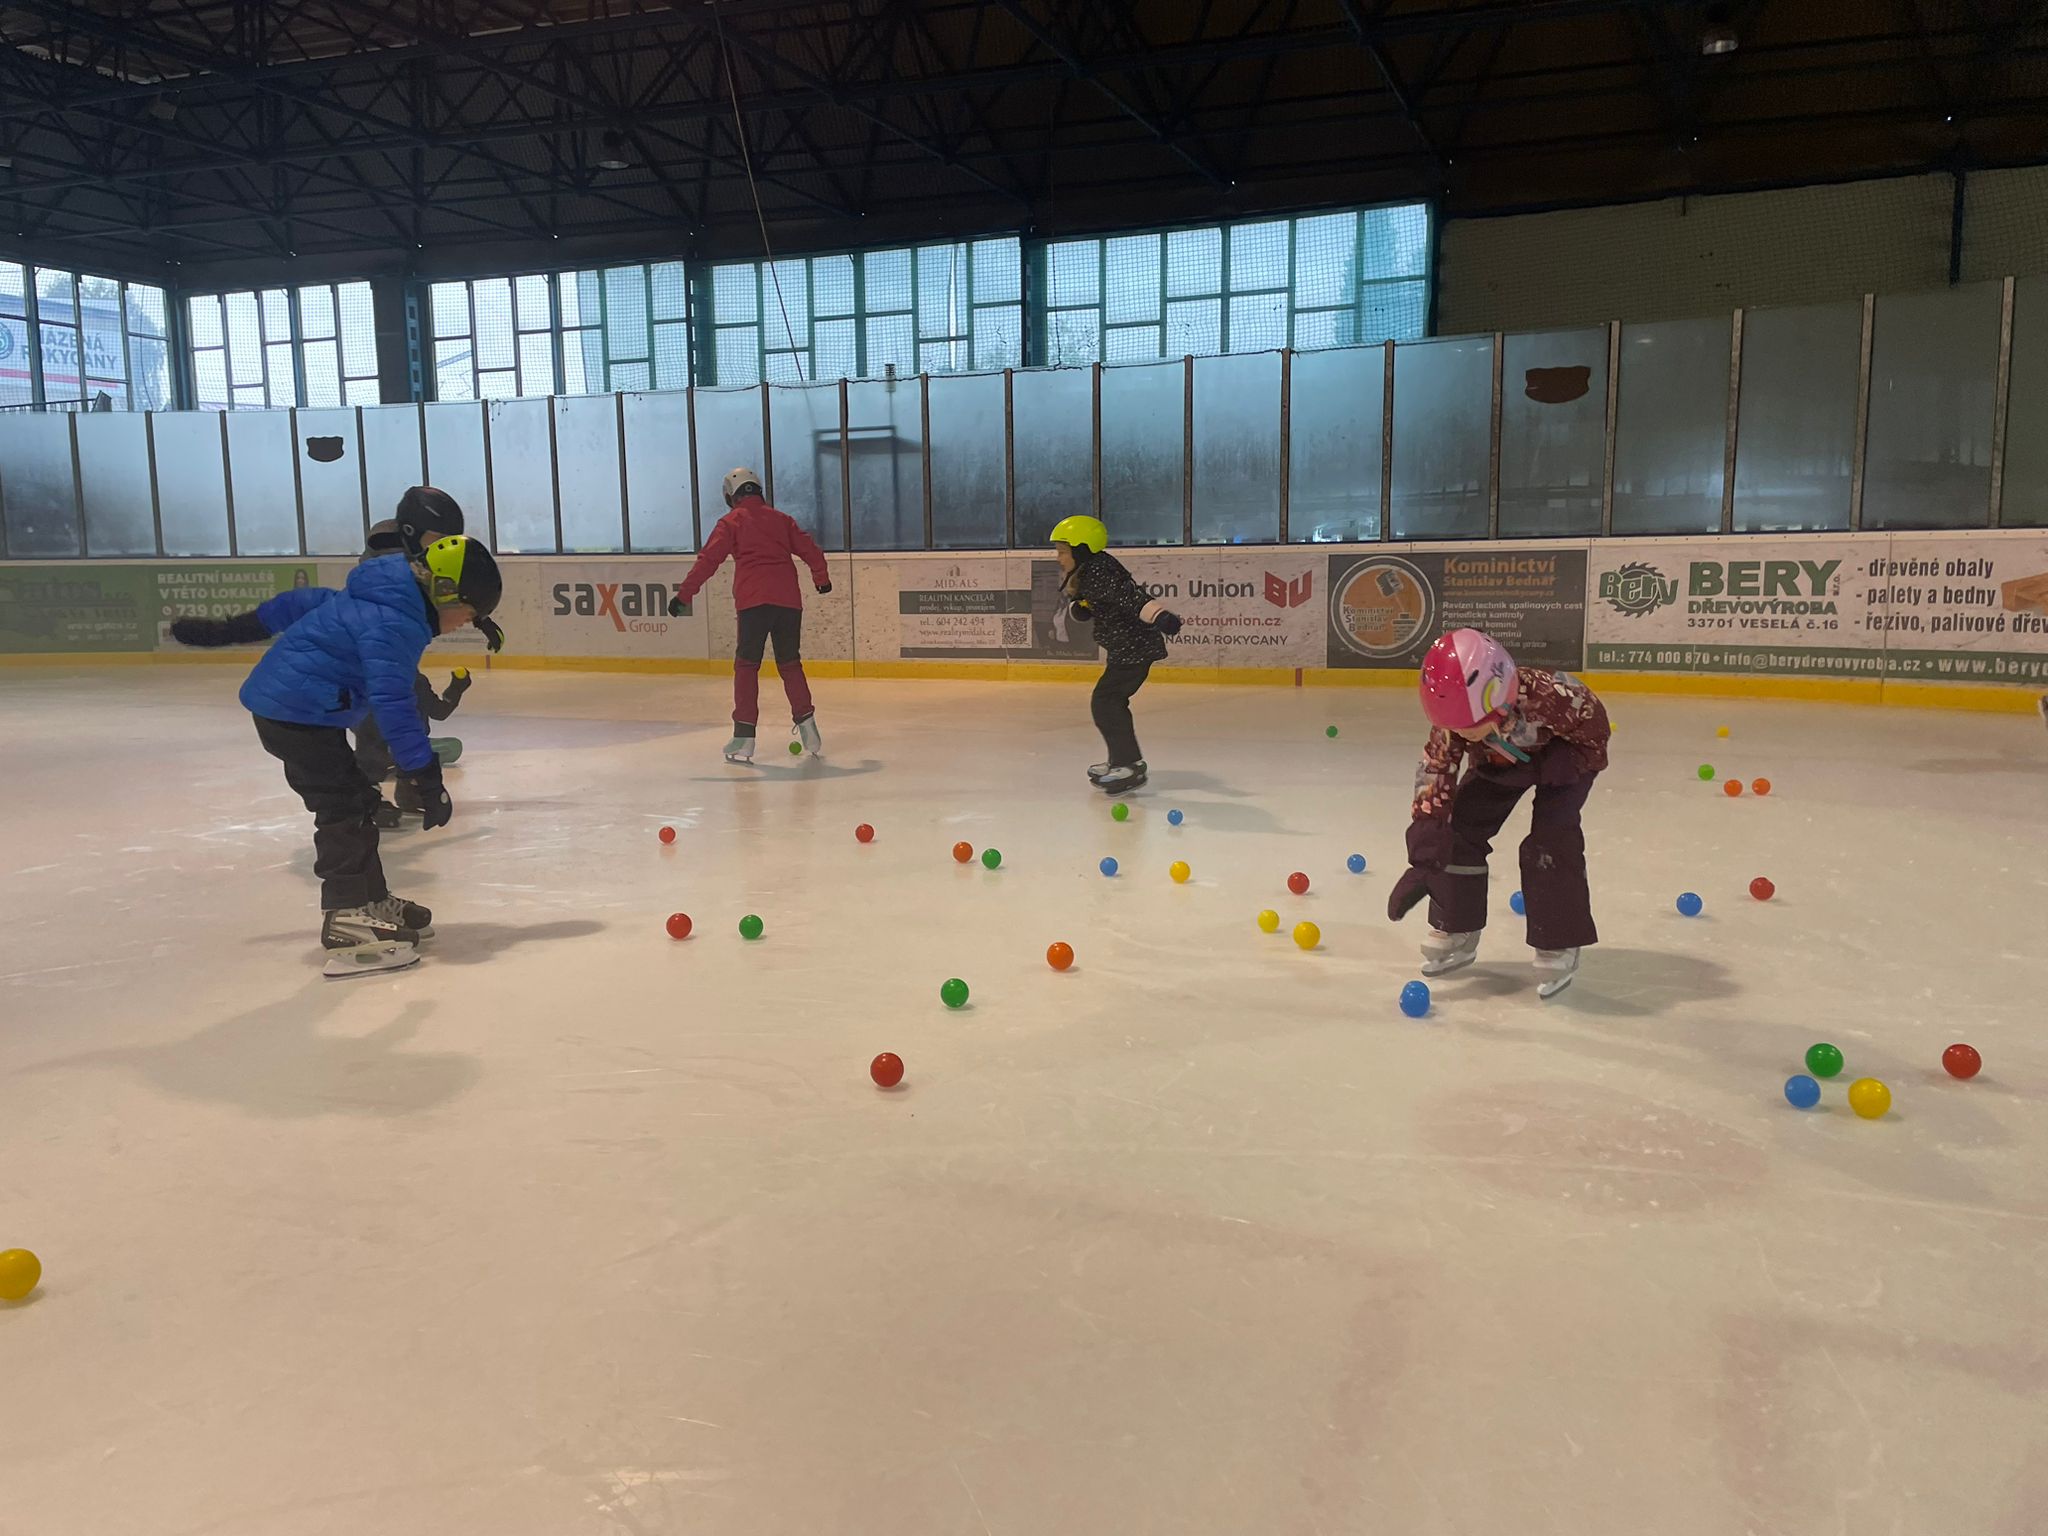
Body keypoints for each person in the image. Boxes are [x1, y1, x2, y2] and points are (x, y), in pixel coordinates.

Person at [169, 536, 503, 977]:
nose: (465, 624)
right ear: (443, 592)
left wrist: (226, 630)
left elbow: (299, 604)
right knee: (341, 808)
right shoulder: (394, 622)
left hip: (299, 710)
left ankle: (369, 900)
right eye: (469, 613)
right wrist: (424, 774)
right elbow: (393, 702)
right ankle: (346, 918)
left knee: (359, 801)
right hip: (296, 713)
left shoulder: (379, 596)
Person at [1387, 628, 1610, 998]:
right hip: (1500, 762)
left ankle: (1559, 939)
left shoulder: (1554, 696)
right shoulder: (1455, 723)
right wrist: (1425, 854)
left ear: (1500, 698)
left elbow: (1596, 729)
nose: (1464, 736)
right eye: (1457, 729)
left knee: (1551, 841)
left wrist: (1569, 761)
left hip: (1563, 762)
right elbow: (1436, 769)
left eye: (1471, 727)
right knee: (1458, 829)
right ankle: (1457, 923)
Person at [667, 467, 831, 763]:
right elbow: (811, 550)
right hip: (788, 603)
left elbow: (708, 561)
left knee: (746, 666)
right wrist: (821, 579)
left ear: (731, 496)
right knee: (790, 664)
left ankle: (744, 737)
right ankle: (809, 728)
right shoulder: (782, 520)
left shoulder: (731, 522)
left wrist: (684, 596)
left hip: (753, 603)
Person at [1050, 514, 1181, 795]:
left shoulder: (1099, 572)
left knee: (1106, 702)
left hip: (1135, 648)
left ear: (1081, 549)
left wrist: (1160, 615)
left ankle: (1127, 764)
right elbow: (1090, 602)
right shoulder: (1088, 571)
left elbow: (1132, 597)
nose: (1059, 558)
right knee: (1108, 702)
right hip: (1125, 649)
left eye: (1062, 552)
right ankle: (1123, 760)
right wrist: (1081, 609)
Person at [365, 485, 507, 655]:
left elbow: (446, 591)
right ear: (410, 531)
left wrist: (479, 616)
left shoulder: (416, 556)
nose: (444, 546)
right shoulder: (385, 566)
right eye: (440, 538)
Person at [357, 670, 472, 827]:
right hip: (384, 739)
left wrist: (456, 688)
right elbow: (440, 712)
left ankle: (407, 789)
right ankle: (372, 794)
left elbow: (439, 712)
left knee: (417, 754)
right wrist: (457, 687)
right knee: (378, 750)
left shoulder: (416, 681)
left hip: (401, 740)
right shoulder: (412, 680)